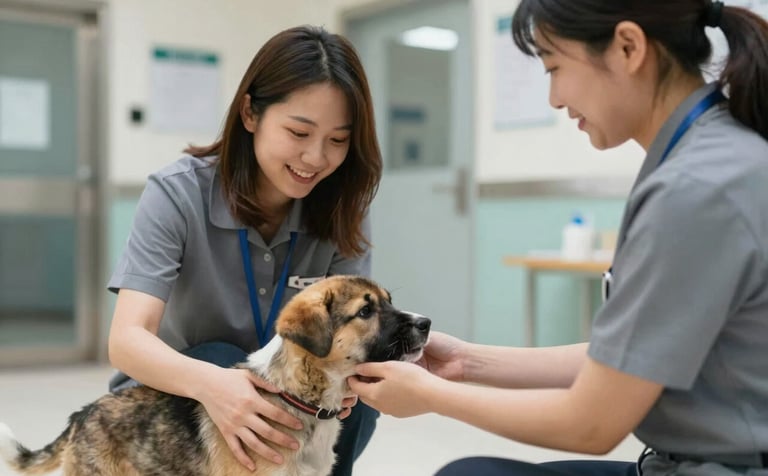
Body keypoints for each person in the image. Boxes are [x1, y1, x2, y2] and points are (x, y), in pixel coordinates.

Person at [348, 1, 768, 475]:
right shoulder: (712, 158)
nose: (553, 97)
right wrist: (466, 361)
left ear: (628, 47)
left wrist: (431, 395)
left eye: (554, 67)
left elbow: (592, 423)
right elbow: (624, 359)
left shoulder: (696, 189)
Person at [107, 25, 382, 476]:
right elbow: (127, 340)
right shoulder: (177, 194)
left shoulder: (343, 209)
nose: (315, 157)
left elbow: (351, 339)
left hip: (286, 390)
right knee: (219, 356)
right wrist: (217, 386)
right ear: (250, 113)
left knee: (357, 394)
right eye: (298, 132)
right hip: (174, 400)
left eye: (337, 140)